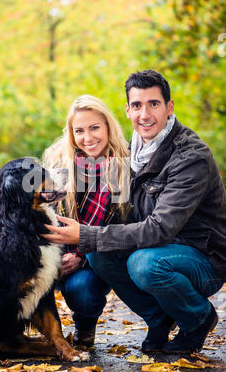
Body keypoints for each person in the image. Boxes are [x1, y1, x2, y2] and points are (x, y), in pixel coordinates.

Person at [44, 70, 226, 354]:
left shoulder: (190, 156)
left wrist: (85, 235)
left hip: (201, 256)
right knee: (98, 251)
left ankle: (198, 318)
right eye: (137, 105)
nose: (145, 114)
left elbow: (159, 228)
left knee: (144, 264)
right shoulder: (132, 154)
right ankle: (158, 319)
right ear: (128, 111)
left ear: (169, 107)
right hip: (159, 247)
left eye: (154, 104)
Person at [43, 94, 130, 346]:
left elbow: (126, 225)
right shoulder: (59, 161)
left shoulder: (126, 163)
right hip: (62, 250)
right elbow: (46, 216)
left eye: (94, 128)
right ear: (70, 133)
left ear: (108, 126)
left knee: (81, 289)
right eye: (79, 130)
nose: (88, 138)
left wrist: (81, 254)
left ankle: (85, 321)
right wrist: (55, 260)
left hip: (105, 253)